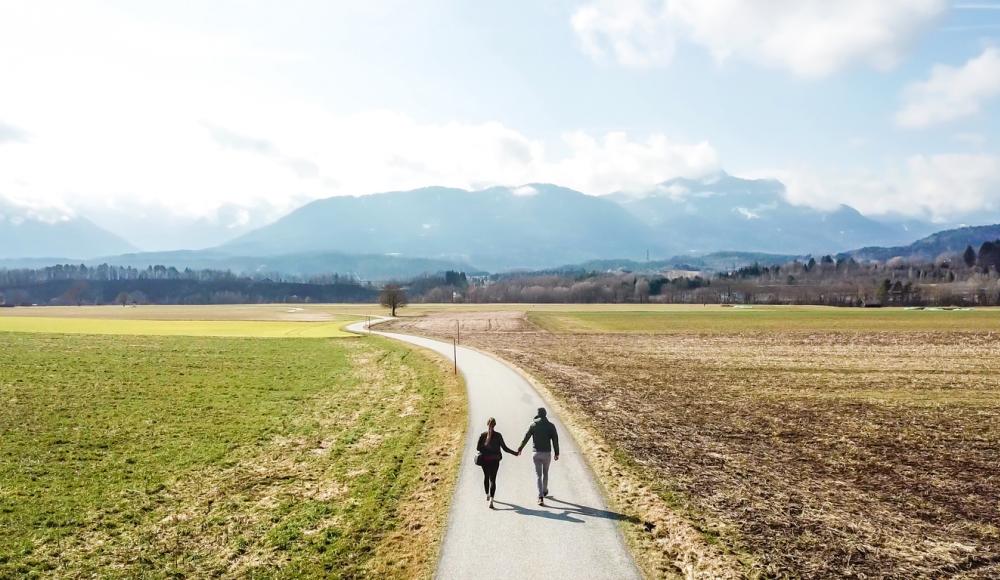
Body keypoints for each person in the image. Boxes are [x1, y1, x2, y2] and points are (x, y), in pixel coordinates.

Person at [517, 407, 559, 505]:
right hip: (547, 453)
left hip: (536, 453)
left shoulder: (533, 425)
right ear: (545, 414)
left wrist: (520, 448)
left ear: (538, 414)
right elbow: (555, 441)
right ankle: (544, 490)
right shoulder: (551, 426)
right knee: (546, 473)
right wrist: (557, 453)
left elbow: (526, 437)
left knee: (538, 475)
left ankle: (540, 497)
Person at [476, 417, 519, 509]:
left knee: (486, 477)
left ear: (487, 424)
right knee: (493, 479)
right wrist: (514, 453)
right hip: (495, 460)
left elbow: (478, 448)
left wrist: (485, 446)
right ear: (495, 425)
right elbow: (505, 448)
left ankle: (487, 494)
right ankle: (491, 499)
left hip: (485, 460)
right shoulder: (498, 435)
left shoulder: (483, 435)